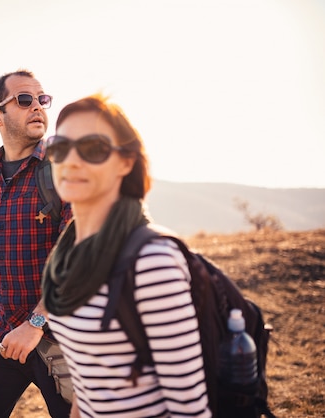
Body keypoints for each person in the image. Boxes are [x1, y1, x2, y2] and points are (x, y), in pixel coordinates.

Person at [42, 94, 211, 417]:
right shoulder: (68, 256)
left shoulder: (151, 262)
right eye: (59, 148)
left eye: (92, 149)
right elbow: (87, 383)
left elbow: (189, 408)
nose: (71, 161)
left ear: (126, 161)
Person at [0, 70, 73, 418]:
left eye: (42, 99)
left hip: (64, 337)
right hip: (5, 334)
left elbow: (78, 254)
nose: (37, 106)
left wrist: (36, 324)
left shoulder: (63, 165)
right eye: (24, 99)